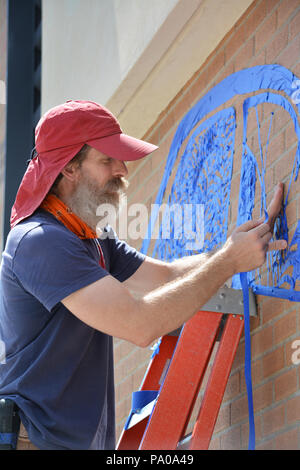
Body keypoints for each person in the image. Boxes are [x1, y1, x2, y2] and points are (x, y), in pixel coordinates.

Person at [0, 100, 287, 450]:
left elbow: (164, 276)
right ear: (69, 169)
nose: (121, 169)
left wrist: (238, 246)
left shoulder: (90, 238)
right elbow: (139, 325)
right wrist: (228, 261)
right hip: (35, 442)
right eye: (107, 160)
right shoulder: (41, 242)